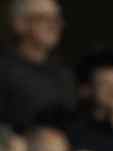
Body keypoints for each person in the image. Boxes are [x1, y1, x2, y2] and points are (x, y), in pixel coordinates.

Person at [0, 0, 74, 130]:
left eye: (57, 19)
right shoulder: (4, 70)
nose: (54, 26)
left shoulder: (64, 74)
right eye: (43, 18)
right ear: (19, 24)